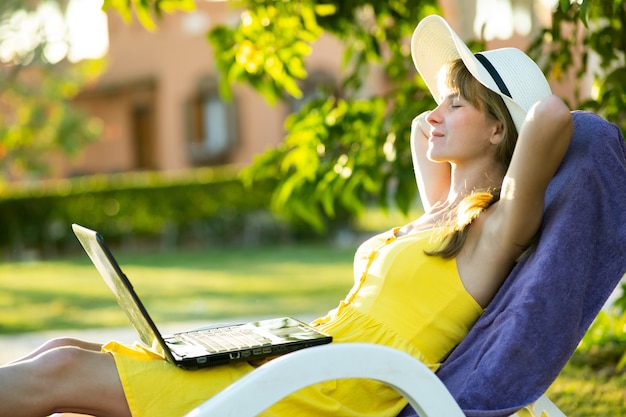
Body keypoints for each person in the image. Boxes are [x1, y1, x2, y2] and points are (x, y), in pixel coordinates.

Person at [0, 15, 573, 417]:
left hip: (329, 392)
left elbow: (550, 116)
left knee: (60, 375)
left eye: (455, 103)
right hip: (306, 358)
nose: (434, 112)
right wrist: (449, 111)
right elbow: (423, 136)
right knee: (63, 350)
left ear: (500, 127)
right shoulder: (444, 220)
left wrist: (508, 108)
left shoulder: (496, 230)